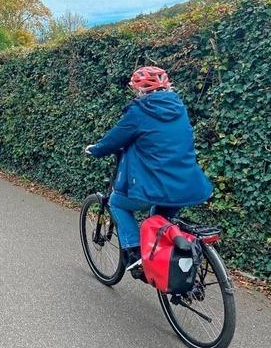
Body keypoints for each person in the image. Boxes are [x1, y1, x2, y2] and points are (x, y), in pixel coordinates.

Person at [85, 66, 212, 271]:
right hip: (187, 184)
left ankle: (135, 254)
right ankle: (164, 263)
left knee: (117, 203)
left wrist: (96, 150)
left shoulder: (140, 111)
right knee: (158, 220)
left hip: (153, 185)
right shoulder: (179, 107)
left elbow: (115, 138)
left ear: (139, 90)